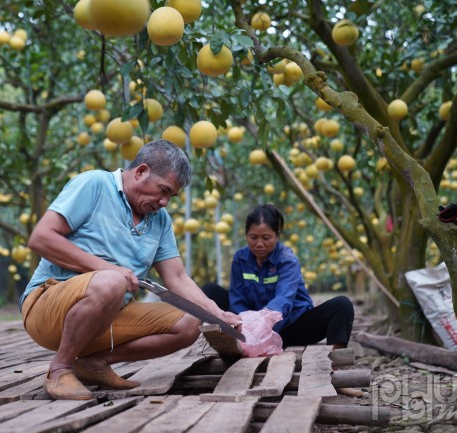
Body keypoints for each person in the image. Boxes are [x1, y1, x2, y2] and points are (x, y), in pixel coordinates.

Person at [19, 140, 241, 401]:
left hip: (109, 315)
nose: (165, 202)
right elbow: (41, 238)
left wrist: (216, 313)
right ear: (140, 171)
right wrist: (110, 270)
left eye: (171, 196)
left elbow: (177, 277)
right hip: (48, 306)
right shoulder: (94, 184)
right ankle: (60, 369)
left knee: (189, 323)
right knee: (112, 282)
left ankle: (93, 364)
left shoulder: (160, 221)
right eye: (163, 190)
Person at [203, 204, 354, 350]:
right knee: (209, 291)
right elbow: (237, 299)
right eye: (253, 237)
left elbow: (283, 300)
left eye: (266, 238)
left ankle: (335, 357)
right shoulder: (240, 258)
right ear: (246, 235)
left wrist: (263, 324)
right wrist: (246, 325)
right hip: (248, 328)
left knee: (342, 305)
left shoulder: (287, 260)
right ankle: (229, 345)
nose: (259, 244)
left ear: (277, 236)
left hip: (290, 327)